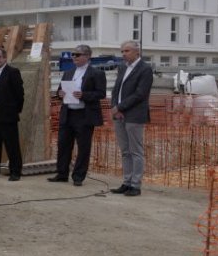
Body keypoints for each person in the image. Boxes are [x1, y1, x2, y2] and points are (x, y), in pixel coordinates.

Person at [49, 44, 107, 187]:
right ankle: (62, 174)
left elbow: (101, 93)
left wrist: (84, 95)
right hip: (68, 113)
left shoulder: (96, 73)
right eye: (73, 55)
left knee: (83, 147)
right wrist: (60, 94)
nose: (74, 57)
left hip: (84, 115)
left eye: (77, 55)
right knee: (63, 145)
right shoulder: (68, 72)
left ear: (87, 56)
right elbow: (59, 91)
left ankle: (78, 176)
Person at [110, 40, 152, 197]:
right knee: (125, 151)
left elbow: (140, 94)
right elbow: (116, 90)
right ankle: (126, 182)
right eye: (122, 51)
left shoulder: (145, 69)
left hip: (134, 115)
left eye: (127, 51)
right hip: (119, 115)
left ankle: (136, 185)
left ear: (137, 52)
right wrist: (115, 107)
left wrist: (120, 107)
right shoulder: (122, 68)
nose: (123, 54)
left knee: (136, 151)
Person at [0, 48, 25, 181]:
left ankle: (15, 171)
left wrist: (14, 110)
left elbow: (19, 95)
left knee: (11, 144)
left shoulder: (12, 72)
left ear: (4, 58)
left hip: (7, 114)